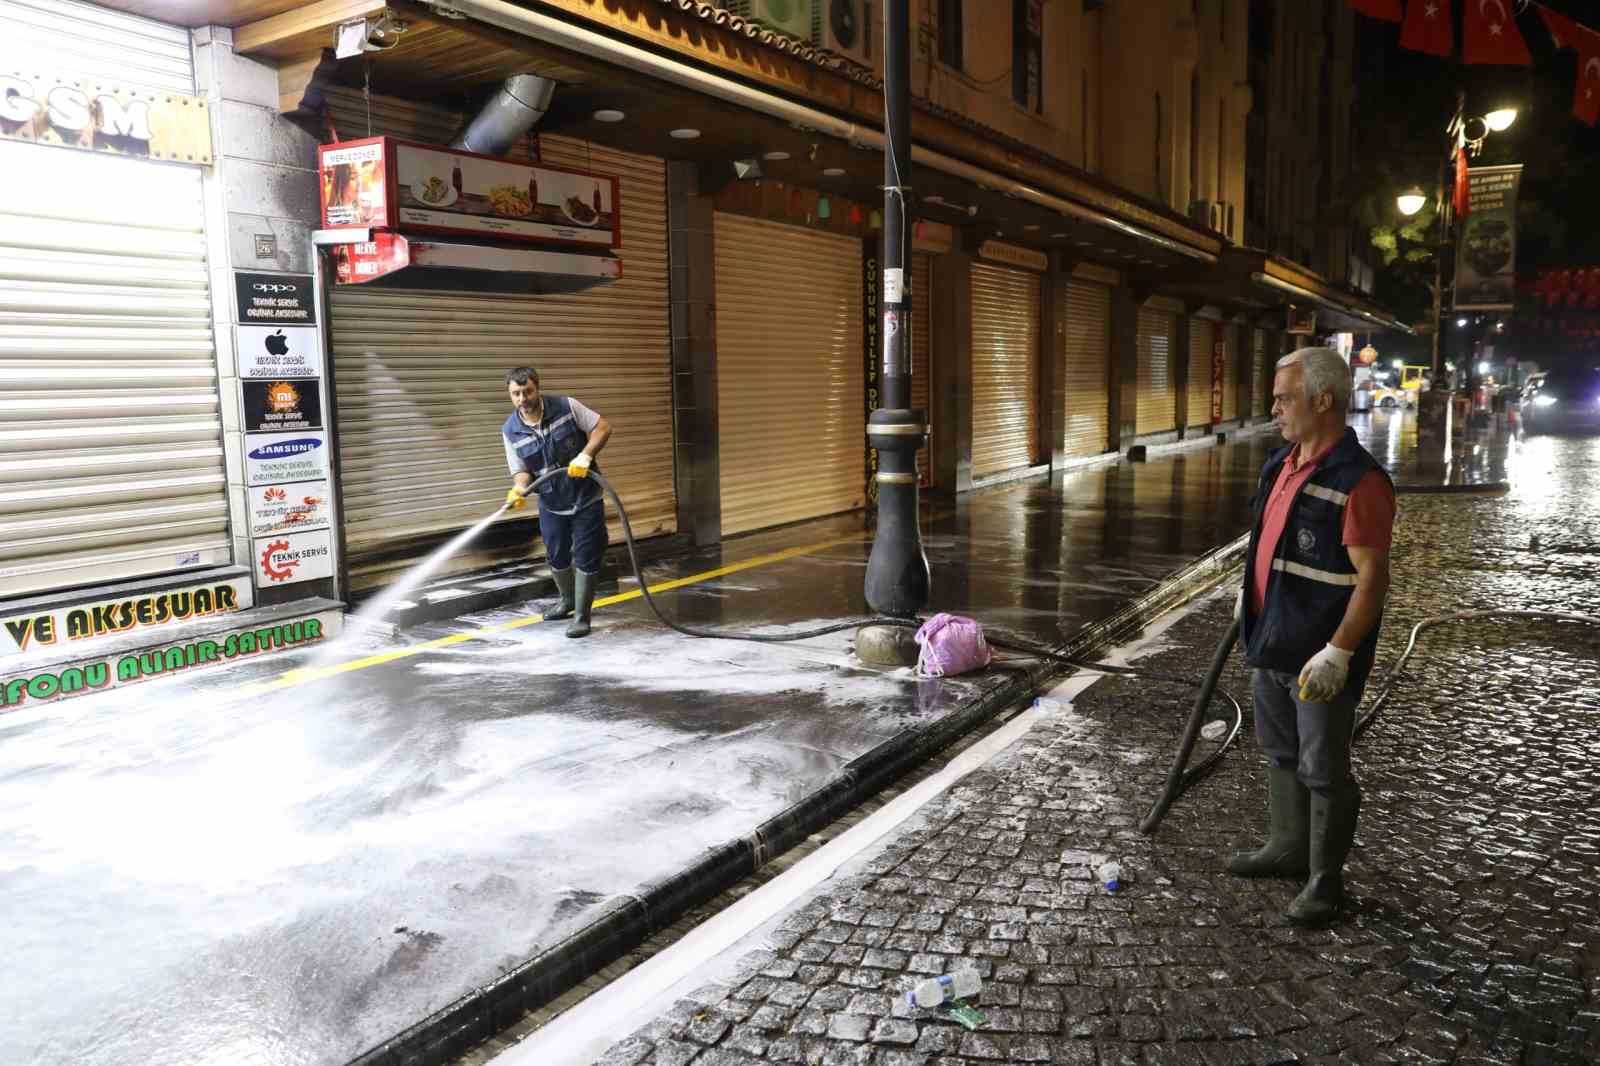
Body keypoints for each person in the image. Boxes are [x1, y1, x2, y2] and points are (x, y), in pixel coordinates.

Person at [1229, 346, 1396, 926]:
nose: (1274, 407)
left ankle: (1325, 880)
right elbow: (1266, 548)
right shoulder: (1278, 464)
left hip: (1318, 655)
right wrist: (1247, 599)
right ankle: (1287, 847)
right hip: (1270, 640)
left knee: (1322, 767)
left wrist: (1340, 653)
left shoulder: (1362, 483)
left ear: (1323, 400)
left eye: (1285, 397)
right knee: (1278, 752)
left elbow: (1372, 581)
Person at [501, 367, 612, 638]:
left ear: (537, 388)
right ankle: (567, 601)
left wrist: (585, 455)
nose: (522, 398)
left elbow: (603, 427)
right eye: (516, 394)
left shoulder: (567, 406)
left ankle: (582, 616)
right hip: (551, 502)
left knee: (586, 553)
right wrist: (519, 489)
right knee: (556, 554)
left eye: (527, 391)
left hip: (585, 496)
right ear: (510, 395)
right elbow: (521, 469)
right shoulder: (510, 430)